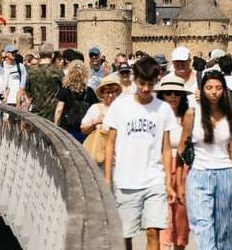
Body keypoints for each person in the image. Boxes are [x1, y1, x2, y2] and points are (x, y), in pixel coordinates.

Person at [104, 57, 175, 250]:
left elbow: (166, 148)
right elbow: (110, 142)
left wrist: (168, 182)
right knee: (125, 235)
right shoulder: (120, 105)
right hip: (126, 180)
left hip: (154, 179)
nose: (145, 89)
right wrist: (108, 178)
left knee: (153, 231)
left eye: (150, 84)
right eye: (142, 83)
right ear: (135, 80)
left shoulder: (163, 109)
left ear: (157, 81)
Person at [181, 69, 232, 250]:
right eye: (209, 87)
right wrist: (179, 180)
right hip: (198, 174)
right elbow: (182, 148)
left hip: (225, 174)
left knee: (224, 230)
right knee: (202, 227)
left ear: (224, 90)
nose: (214, 92)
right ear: (202, 90)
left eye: (218, 88)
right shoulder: (191, 114)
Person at [157, 75, 194, 250]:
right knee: (163, 216)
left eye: (177, 93)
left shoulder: (187, 117)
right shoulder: (156, 116)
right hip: (160, 167)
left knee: (181, 215)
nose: (172, 96)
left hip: (183, 170)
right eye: (168, 93)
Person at [54, 60, 97, 141]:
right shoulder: (89, 91)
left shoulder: (65, 90)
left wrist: (56, 126)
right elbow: (95, 109)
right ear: (85, 74)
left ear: (70, 74)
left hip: (67, 131)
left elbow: (59, 110)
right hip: (84, 131)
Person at [25, 46, 63, 121]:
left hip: (36, 115)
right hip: (53, 115)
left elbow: (28, 93)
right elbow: (65, 91)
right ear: (52, 55)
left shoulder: (31, 71)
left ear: (39, 55)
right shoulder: (57, 71)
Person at [82, 73, 124, 139]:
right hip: (99, 146)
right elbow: (83, 129)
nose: (110, 95)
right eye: (108, 92)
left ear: (116, 93)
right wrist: (96, 122)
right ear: (102, 93)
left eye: (113, 92)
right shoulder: (95, 108)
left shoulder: (122, 108)